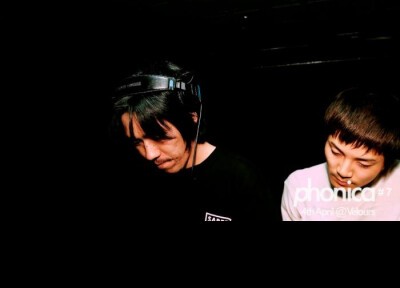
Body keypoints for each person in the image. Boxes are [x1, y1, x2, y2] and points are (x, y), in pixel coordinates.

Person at [107, 58, 278, 222]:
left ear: (192, 118)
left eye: (160, 137)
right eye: (137, 142)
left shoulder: (241, 179)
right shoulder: (139, 178)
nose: (149, 155)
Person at [281, 86, 400, 221]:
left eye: (363, 164)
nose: (343, 172)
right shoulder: (299, 186)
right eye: (335, 152)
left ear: (387, 163)